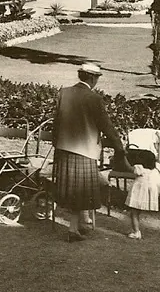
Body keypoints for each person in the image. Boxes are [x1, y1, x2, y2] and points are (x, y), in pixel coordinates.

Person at [52, 63, 129, 242]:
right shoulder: (94, 98)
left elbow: (56, 122)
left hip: (64, 149)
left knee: (74, 191)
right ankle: (78, 225)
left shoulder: (64, 92)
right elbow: (106, 126)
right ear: (93, 78)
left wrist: (57, 143)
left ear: (81, 75)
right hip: (84, 150)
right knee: (82, 191)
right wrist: (119, 147)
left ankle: (77, 225)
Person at [124, 130, 160, 240]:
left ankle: (136, 232)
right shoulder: (156, 169)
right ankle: (136, 230)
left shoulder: (139, 169)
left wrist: (124, 157)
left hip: (140, 190)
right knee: (137, 210)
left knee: (134, 212)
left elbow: (128, 168)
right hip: (151, 189)